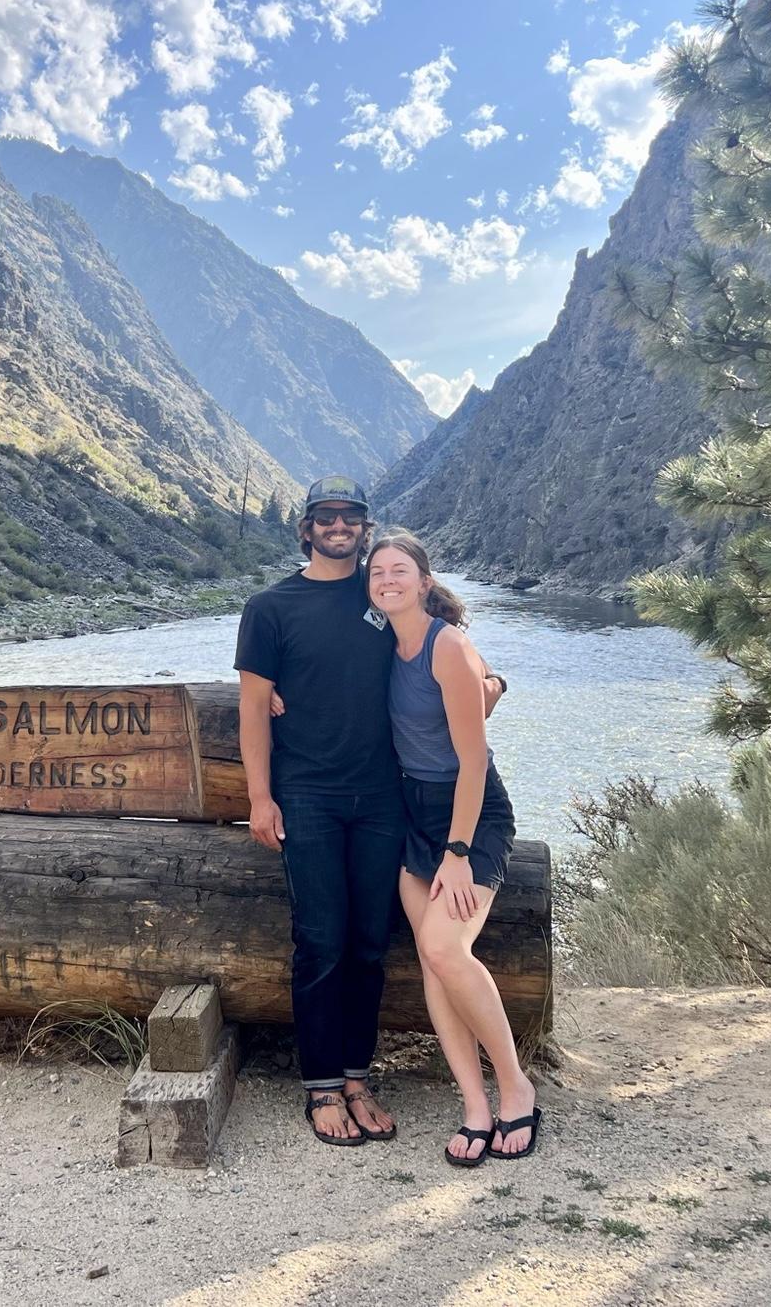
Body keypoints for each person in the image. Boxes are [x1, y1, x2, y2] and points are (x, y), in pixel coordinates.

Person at [234, 478, 503, 1147]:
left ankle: (357, 1078)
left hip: (384, 799)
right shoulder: (269, 607)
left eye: (349, 516)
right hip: (308, 796)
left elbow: (462, 659)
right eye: (324, 516)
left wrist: (494, 684)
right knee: (320, 940)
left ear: (364, 526)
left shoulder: (382, 592)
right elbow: (251, 707)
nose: (338, 526)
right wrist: (260, 797)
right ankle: (322, 1086)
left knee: (368, 944)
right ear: (305, 528)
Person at [365, 529, 539, 1164]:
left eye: (399, 570)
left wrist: (459, 852)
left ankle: (515, 1086)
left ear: (424, 581)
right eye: (377, 572)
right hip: (412, 813)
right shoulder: (380, 644)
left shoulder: (448, 647)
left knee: (444, 947)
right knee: (431, 957)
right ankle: (474, 1105)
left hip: (471, 814)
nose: (387, 580)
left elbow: (472, 762)